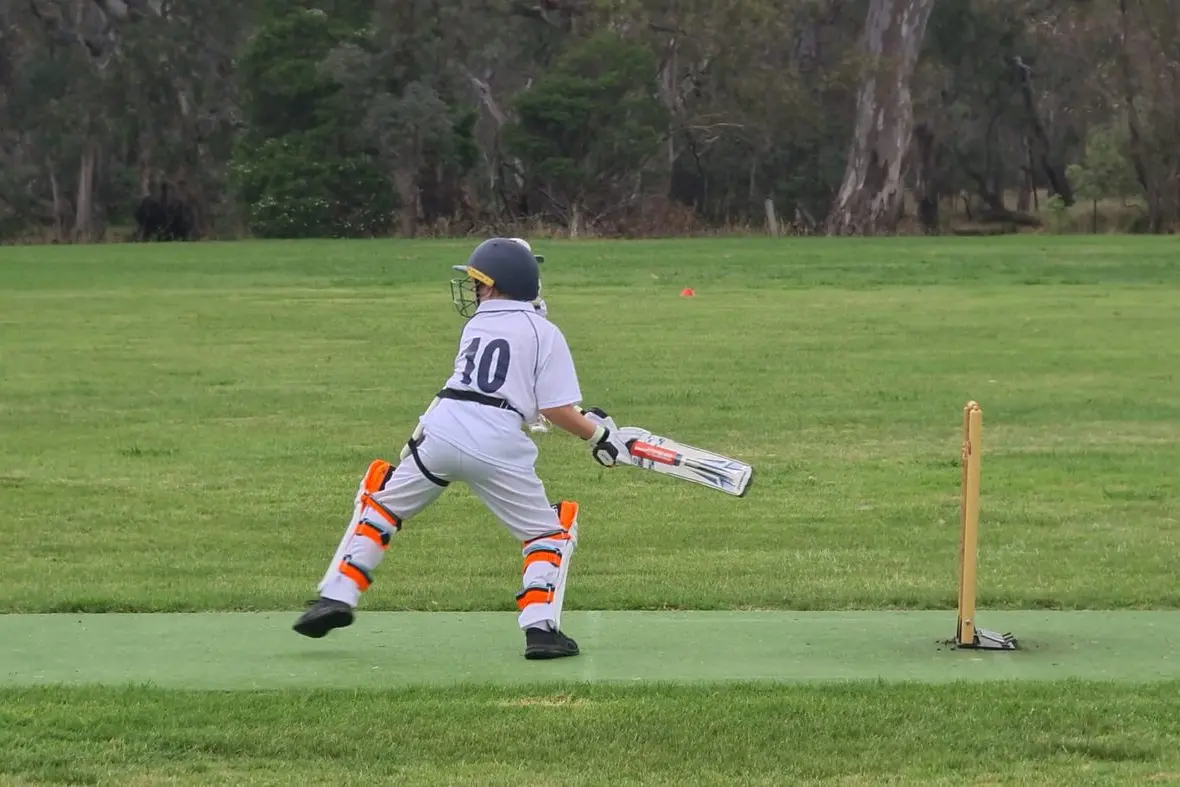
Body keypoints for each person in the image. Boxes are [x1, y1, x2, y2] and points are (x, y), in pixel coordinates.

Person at [293, 237, 631, 660]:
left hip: (443, 431)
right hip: (497, 443)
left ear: (499, 286)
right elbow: (555, 409)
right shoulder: (544, 331)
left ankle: (337, 595)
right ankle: (540, 629)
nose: (473, 290)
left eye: (479, 282)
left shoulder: (476, 325)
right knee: (547, 532)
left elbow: (519, 395)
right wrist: (596, 435)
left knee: (382, 505)